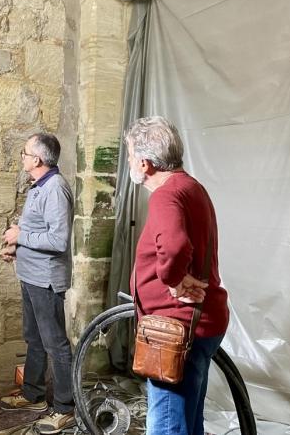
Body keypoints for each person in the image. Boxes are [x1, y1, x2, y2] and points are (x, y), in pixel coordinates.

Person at [124, 116, 230, 434]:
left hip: (177, 329)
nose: (128, 161)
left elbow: (175, 245)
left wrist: (172, 280)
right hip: (199, 324)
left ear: (144, 163)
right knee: (188, 421)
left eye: (129, 155)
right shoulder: (190, 187)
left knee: (167, 426)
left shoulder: (166, 195)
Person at [0, 133, 75, 434]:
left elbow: (58, 239)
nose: (22, 157)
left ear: (38, 160)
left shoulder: (56, 188)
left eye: (25, 152)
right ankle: (33, 395)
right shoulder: (38, 187)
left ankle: (65, 408)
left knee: (55, 343)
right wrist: (15, 246)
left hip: (45, 280)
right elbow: (34, 229)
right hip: (30, 275)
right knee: (34, 338)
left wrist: (21, 237)